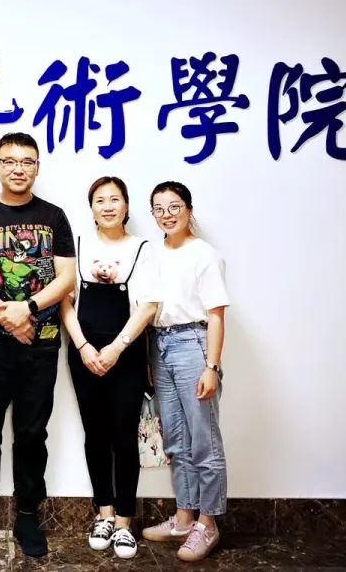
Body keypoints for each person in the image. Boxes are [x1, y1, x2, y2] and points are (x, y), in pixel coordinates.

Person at [0, 132, 76, 558]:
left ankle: (27, 515)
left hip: (39, 346)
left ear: (37, 167)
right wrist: (9, 316)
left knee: (31, 435)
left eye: (27, 161)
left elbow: (66, 278)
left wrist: (29, 308)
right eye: (9, 161)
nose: (18, 168)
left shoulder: (54, 217)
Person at [61, 176, 159, 559]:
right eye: (99, 200)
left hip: (127, 354)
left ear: (126, 206)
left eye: (114, 199)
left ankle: (123, 522)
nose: (107, 206)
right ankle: (103, 513)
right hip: (84, 353)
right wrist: (83, 347)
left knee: (124, 437)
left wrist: (117, 348)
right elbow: (65, 301)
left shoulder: (141, 248)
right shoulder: (78, 245)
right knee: (96, 434)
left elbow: (148, 306)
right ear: (91, 209)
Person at [140, 181, 230, 563]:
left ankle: (207, 524)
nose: (167, 215)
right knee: (175, 440)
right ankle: (183, 518)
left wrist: (212, 366)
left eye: (174, 206)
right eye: (159, 209)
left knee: (203, 441)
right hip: (160, 345)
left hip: (194, 345)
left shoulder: (205, 254)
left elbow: (216, 315)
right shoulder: (152, 253)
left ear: (189, 210)